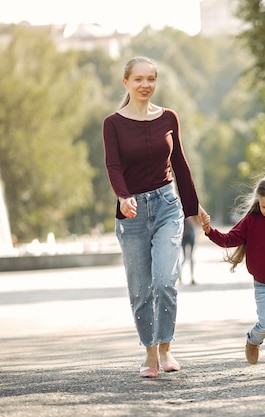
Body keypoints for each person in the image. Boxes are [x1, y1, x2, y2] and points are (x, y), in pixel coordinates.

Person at [102, 56, 207, 378]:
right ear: (126, 83)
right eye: (138, 79)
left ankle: (166, 348)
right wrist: (123, 197)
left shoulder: (168, 118)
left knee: (165, 281)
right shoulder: (113, 123)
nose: (145, 85)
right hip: (131, 212)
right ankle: (149, 352)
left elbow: (181, 166)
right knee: (140, 288)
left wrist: (193, 208)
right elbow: (113, 166)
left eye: (151, 79)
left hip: (166, 205)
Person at [200, 173, 265, 377]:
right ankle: (252, 340)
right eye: (264, 207)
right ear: (259, 202)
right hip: (263, 285)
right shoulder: (251, 221)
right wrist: (209, 231)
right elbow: (229, 239)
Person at [180, 217, 197, 285]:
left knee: (185, 257)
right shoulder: (190, 215)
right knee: (190, 257)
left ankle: (180, 276)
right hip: (189, 234)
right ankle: (191, 277)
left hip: (184, 235)